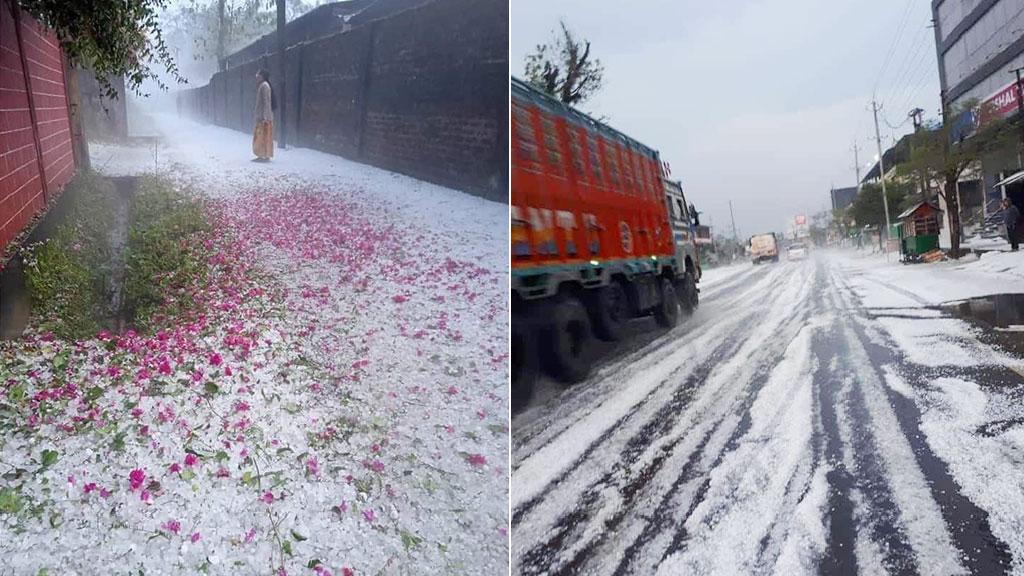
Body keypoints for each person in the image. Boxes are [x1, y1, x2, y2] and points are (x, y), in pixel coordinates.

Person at [252, 69, 274, 162]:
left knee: (262, 137)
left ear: (262, 76)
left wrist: (265, 116)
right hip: (264, 116)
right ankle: (265, 155)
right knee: (265, 136)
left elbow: (266, 102)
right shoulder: (264, 85)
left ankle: (263, 155)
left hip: (263, 117)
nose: (257, 77)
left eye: (258, 75)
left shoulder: (264, 86)